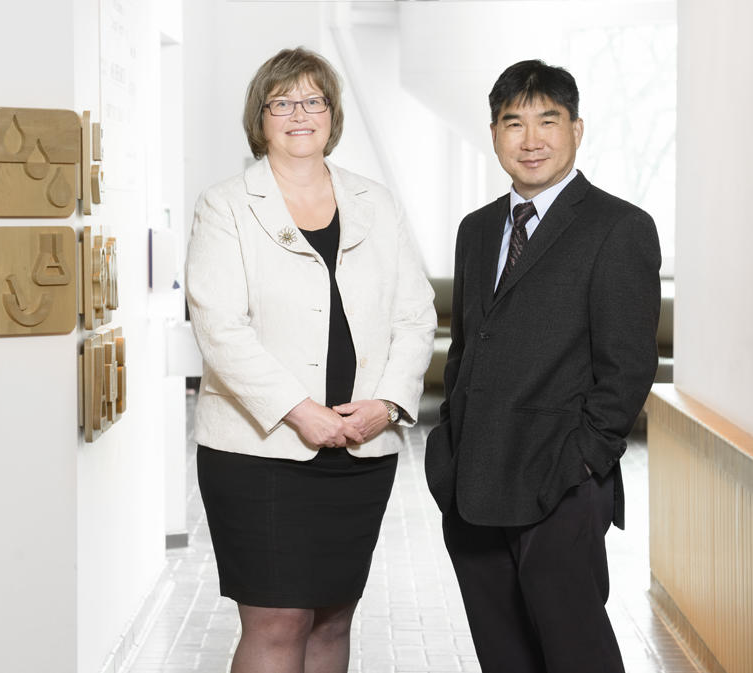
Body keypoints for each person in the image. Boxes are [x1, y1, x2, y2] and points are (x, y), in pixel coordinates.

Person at [186, 47, 435, 673]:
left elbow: (415, 312)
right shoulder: (226, 205)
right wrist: (300, 411)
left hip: (360, 446)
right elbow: (219, 326)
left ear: (333, 112)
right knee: (278, 622)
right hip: (258, 452)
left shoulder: (376, 201)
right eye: (283, 102)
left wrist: (389, 403)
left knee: (333, 618)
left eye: (314, 100)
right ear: (260, 117)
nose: (301, 113)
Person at [425, 59, 661, 673]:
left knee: (575, 653)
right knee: (503, 656)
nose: (530, 140)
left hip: (561, 484)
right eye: (513, 123)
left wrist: (583, 461)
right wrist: (447, 450)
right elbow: (466, 351)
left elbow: (628, 367)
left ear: (577, 130)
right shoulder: (476, 230)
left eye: (547, 121)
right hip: (473, 482)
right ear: (495, 132)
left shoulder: (620, 228)